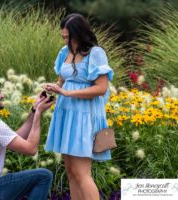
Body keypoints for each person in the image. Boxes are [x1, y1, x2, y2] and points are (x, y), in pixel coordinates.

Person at [44, 13, 114, 200]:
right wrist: (53, 88)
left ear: (79, 34)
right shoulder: (64, 52)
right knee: (71, 171)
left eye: (68, 37)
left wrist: (68, 93)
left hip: (85, 115)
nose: (66, 40)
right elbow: (62, 80)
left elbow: (101, 88)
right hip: (66, 114)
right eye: (63, 37)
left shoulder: (95, 53)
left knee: (82, 173)